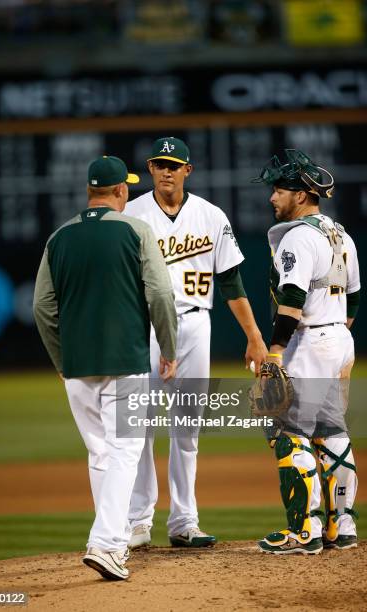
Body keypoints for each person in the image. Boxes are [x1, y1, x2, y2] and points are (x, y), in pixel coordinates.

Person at [33, 155, 177, 580]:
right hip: (126, 359)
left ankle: (108, 539)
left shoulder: (59, 237)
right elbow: (161, 294)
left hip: (77, 366)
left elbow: (42, 307)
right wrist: (168, 348)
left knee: (100, 453)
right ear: (120, 191)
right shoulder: (136, 229)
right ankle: (107, 544)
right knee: (125, 450)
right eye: (126, 187)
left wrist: (62, 359)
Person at [125, 136, 268, 548]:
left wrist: (254, 337)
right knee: (140, 425)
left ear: (188, 170)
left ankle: (184, 521)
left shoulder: (209, 215)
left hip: (195, 325)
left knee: (187, 427)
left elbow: (231, 281)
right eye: (160, 163)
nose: (167, 170)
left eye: (174, 164)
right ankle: (138, 521)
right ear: (150, 168)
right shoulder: (131, 215)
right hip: (145, 326)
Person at [252, 149, 360, 554]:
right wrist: (335, 336)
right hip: (338, 339)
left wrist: (275, 352)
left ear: (300, 195)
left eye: (279, 190)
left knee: (288, 431)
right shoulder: (341, 233)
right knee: (332, 432)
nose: (272, 198)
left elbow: (292, 299)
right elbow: (356, 296)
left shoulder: (298, 236)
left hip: (308, 340)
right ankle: (342, 527)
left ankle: (304, 531)